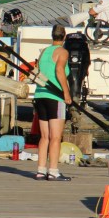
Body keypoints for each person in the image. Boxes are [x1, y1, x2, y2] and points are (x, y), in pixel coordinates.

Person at [32, 24, 73, 181]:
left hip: (40, 95)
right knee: (56, 137)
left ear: (52, 36)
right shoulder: (63, 52)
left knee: (44, 136)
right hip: (55, 97)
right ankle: (53, 171)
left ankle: (41, 170)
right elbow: (59, 71)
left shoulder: (44, 52)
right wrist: (66, 92)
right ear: (64, 37)